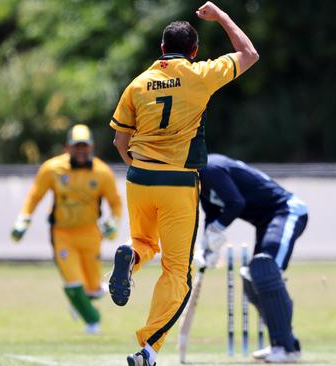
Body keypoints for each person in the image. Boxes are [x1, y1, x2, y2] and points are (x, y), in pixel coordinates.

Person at [107, 2, 259, 365]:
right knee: (178, 273)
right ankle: (148, 348)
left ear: (161, 49)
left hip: (139, 177)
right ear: (194, 51)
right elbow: (249, 53)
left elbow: (118, 141)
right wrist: (221, 16)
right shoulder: (200, 74)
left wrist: (138, 167)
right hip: (178, 184)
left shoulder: (138, 83)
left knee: (143, 241)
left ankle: (130, 259)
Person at [196, 153, 308, 363]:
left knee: (264, 267)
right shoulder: (198, 180)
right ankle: (284, 342)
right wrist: (207, 247)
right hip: (266, 222)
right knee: (251, 278)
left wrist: (216, 230)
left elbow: (236, 203)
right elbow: (211, 215)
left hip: (286, 211)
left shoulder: (210, 167)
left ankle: (286, 348)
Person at [10, 124, 122, 334]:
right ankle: (93, 320)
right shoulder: (52, 169)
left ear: (92, 148)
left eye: (85, 147)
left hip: (90, 233)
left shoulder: (102, 172)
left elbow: (115, 202)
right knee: (72, 282)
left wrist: (114, 222)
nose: (81, 152)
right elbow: (35, 195)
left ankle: (81, 303)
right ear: (67, 148)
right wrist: (23, 219)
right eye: (76, 147)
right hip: (63, 234)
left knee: (93, 289)